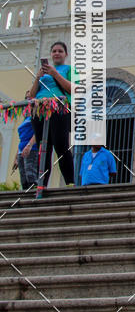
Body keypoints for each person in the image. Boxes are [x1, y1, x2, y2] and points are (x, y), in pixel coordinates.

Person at [29, 41, 74, 198]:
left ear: (65, 54)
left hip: (58, 108)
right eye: (54, 51)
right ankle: (41, 184)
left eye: (60, 51)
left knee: (61, 146)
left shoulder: (68, 69)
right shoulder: (43, 73)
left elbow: (72, 89)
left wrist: (55, 74)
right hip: (40, 110)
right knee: (43, 148)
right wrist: (37, 78)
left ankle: (70, 182)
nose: (56, 53)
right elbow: (31, 96)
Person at [12, 99, 38, 190]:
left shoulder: (35, 117)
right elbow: (21, 140)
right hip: (21, 150)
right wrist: (16, 158)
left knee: (30, 174)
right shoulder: (26, 119)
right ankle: (25, 193)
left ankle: (33, 194)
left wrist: (29, 145)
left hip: (31, 149)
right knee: (23, 178)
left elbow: (37, 133)